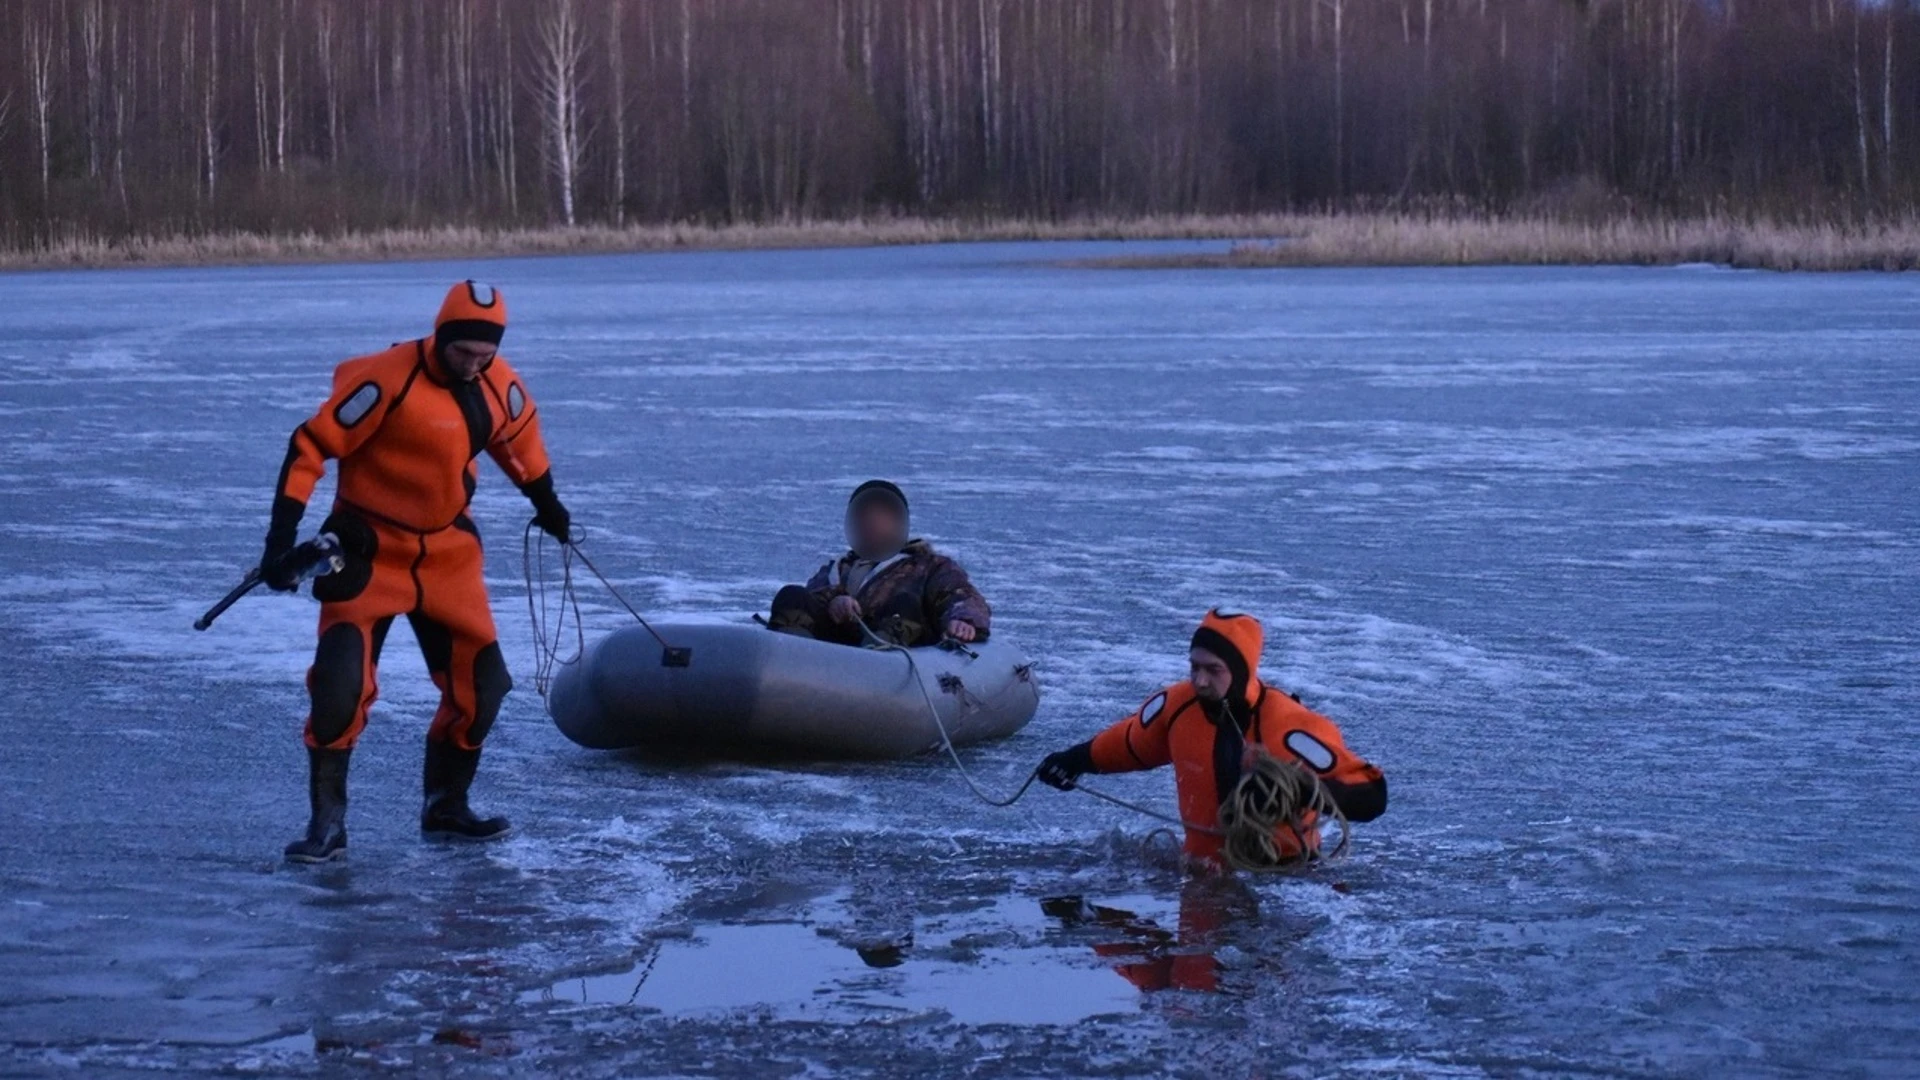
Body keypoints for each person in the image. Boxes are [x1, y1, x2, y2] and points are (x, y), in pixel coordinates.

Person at [263, 280, 572, 863]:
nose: (473, 367)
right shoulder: (386, 378)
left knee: (483, 690)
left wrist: (548, 505)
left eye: (485, 356)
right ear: (442, 336)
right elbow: (308, 448)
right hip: (366, 552)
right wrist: (278, 545)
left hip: (448, 556)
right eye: (463, 354)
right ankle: (326, 826)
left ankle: (446, 808)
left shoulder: (496, 383)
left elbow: (520, 444)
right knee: (338, 691)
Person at [1035, 610, 1387, 870]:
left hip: (1286, 878)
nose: (1200, 681)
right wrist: (1072, 761)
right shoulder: (1177, 707)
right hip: (1201, 873)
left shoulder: (1291, 729)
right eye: (1195, 667)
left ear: (1241, 672)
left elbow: (1372, 797)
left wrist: (1295, 786)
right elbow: (1127, 745)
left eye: (1213, 670)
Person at [767, 480, 991, 648]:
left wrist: (962, 620)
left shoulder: (928, 566)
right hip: (833, 648)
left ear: (898, 524)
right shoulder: (837, 568)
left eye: (879, 519)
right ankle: (791, 657)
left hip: (895, 656)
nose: (871, 525)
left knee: (903, 604)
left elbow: (960, 595)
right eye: (864, 518)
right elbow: (815, 596)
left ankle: (879, 658)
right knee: (792, 596)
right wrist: (835, 601)